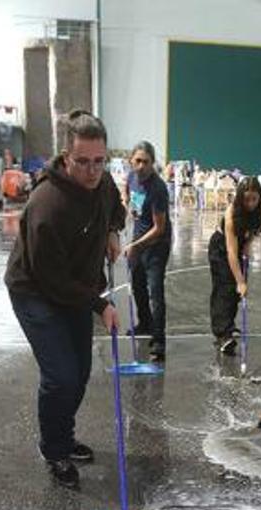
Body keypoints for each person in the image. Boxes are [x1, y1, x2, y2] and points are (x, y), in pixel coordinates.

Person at [5, 110, 125, 488]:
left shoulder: (103, 184)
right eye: (82, 162)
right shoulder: (47, 204)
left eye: (99, 162)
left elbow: (114, 207)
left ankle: (63, 434)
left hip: (77, 286)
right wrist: (101, 304)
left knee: (81, 373)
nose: (92, 171)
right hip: (36, 291)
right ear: (65, 156)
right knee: (60, 376)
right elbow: (51, 279)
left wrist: (112, 230)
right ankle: (54, 448)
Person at [122, 141, 171, 362]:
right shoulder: (132, 177)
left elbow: (159, 228)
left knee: (155, 293)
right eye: (137, 161)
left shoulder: (158, 188)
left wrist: (135, 246)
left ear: (153, 163)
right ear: (131, 161)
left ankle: (158, 343)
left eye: (146, 162)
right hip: (138, 238)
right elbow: (127, 192)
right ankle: (144, 323)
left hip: (157, 244)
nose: (141, 166)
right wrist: (128, 204)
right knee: (138, 285)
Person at [208, 176, 261, 354]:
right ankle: (222, 334)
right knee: (225, 288)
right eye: (246, 199)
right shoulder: (232, 214)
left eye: (254, 199)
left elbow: (252, 231)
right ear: (240, 197)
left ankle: (229, 325)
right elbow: (231, 253)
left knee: (236, 292)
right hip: (221, 248)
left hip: (239, 244)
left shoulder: (260, 209)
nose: (250, 203)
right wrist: (240, 280)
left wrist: (247, 246)